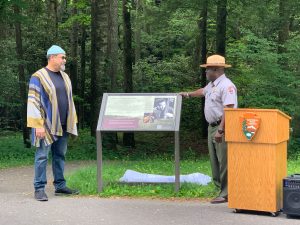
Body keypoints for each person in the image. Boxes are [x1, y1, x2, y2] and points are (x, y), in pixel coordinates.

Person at [180, 54, 237, 204]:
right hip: (212, 127)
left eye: (208, 70)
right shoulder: (212, 85)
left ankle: (226, 193)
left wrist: (220, 130)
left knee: (224, 161)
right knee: (215, 160)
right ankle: (220, 189)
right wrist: (187, 94)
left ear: (216, 70)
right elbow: (202, 91)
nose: (205, 73)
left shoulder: (227, 86)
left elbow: (229, 109)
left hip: (222, 127)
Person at [27, 45, 79, 201]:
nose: (64, 60)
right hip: (45, 125)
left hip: (62, 124)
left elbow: (69, 100)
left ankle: (60, 186)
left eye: (64, 57)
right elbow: (33, 101)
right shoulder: (38, 76)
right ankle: (39, 188)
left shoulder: (65, 76)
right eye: (62, 57)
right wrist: (38, 125)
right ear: (52, 57)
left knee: (60, 155)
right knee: (42, 156)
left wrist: (72, 121)